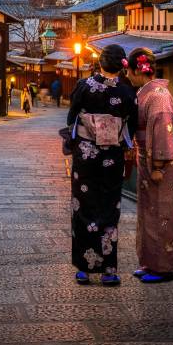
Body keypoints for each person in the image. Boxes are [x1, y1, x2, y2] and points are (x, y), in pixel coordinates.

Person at [66, 44, 138, 286]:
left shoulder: (84, 86)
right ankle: (109, 270)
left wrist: (77, 138)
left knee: (83, 206)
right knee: (109, 207)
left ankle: (84, 269)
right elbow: (132, 124)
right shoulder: (128, 91)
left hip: (86, 156)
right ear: (122, 65)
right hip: (112, 157)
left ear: (100, 62)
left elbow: (72, 117)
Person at [126, 47, 173, 284]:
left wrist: (159, 165)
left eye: (129, 71)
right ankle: (150, 261)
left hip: (160, 162)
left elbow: (163, 132)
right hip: (147, 157)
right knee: (147, 211)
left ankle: (163, 267)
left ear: (136, 69)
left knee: (161, 212)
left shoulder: (158, 96)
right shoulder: (147, 93)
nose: (127, 76)